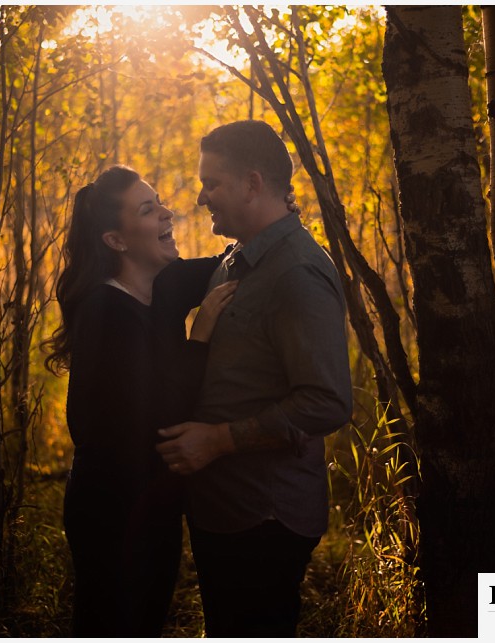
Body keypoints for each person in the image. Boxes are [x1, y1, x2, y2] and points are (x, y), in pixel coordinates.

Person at [157, 120, 353, 637]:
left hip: (264, 517)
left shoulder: (297, 272)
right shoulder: (234, 260)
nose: (202, 198)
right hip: (222, 508)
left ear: (251, 184)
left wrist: (219, 440)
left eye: (212, 183)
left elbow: (327, 401)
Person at [45, 165, 237, 637]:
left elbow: (229, 261)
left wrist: (272, 221)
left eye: (159, 202)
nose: (168, 212)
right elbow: (161, 419)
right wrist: (202, 337)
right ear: (116, 240)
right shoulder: (105, 311)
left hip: (155, 502)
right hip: (113, 509)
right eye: (148, 210)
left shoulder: (162, 288)